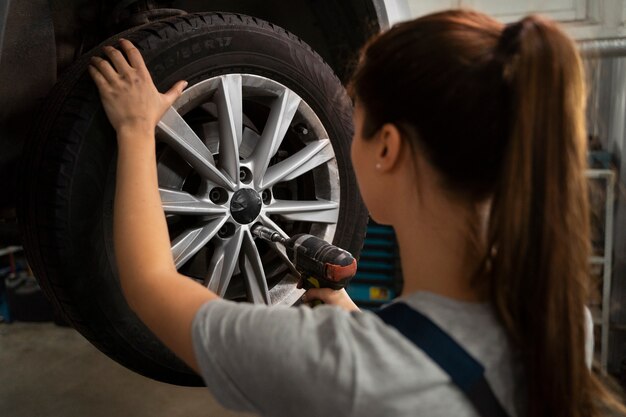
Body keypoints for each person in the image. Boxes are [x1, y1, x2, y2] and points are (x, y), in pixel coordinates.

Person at [87, 9, 624, 417]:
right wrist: (349, 315)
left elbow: (150, 285)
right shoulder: (558, 320)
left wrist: (137, 130)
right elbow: (416, 370)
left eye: (355, 118)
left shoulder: (337, 369)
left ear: (386, 149)